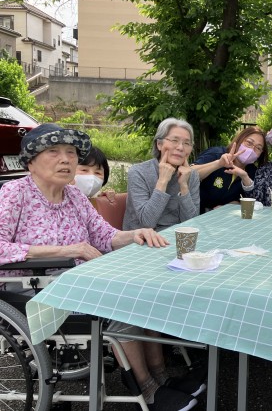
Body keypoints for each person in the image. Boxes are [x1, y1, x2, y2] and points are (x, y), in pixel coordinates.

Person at [0, 124, 197, 411]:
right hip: (33, 290)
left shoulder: (74, 196)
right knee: (123, 301)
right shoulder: (15, 193)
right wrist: (68, 250)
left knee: (144, 291)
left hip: (77, 280)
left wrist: (136, 234)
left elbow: (105, 236)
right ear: (30, 161)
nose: (65, 159)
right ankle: (147, 388)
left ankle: (161, 376)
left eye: (71, 153)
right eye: (53, 152)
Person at [123, 118, 200, 231]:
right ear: (159, 144)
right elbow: (147, 223)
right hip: (142, 237)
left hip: (176, 235)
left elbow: (192, 223)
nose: (180, 147)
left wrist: (183, 185)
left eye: (186, 143)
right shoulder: (138, 172)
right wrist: (162, 181)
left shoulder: (191, 175)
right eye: (174, 141)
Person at [191, 126, 268, 213]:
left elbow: (251, 202)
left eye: (258, 148)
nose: (251, 150)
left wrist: (229, 206)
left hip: (222, 217)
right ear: (239, 140)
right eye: (249, 143)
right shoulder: (217, 154)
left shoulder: (252, 171)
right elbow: (189, 174)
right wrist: (218, 164)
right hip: (195, 213)